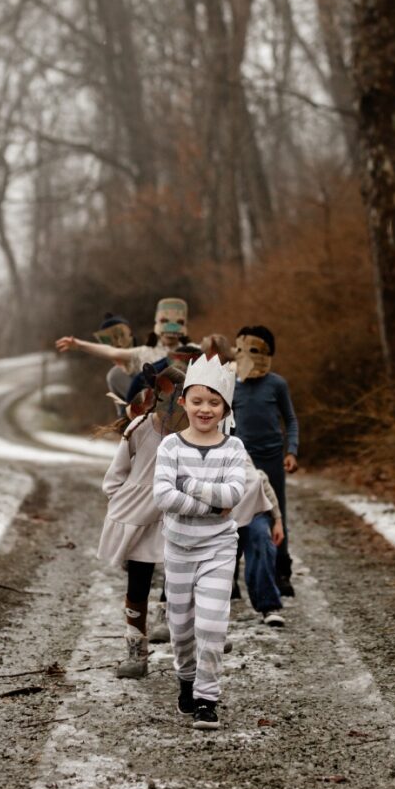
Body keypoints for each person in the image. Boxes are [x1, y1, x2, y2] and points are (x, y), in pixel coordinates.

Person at [154, 354, 246, 731]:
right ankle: (187, 679)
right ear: (183, 402)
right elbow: (162, 496)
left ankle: (207, 698)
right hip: (178, 548)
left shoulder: (233, 449)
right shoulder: (170, 448)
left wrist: (188, 485)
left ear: (225, 407)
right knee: (181, 626)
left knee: (212, 623)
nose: (205, 409)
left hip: (219, 548)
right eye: (197, 401)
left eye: (213, 402)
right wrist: (211, 504)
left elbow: (235, 493)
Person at [98, 364, 187, 678]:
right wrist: (123, 504)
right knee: (137, 584)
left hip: (175, 515)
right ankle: (137, 652)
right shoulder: (138, 427)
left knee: (181, 579)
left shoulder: (191, 434)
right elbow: (115, 475)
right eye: (166, 394)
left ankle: (187, 645)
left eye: (178, 397)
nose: (172, 402)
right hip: (138, 518)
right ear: (155, 394)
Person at [232, 326, 299, 596]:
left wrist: (291, 451)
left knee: (275, 513)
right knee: (236, 515)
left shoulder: (276, 384)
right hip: (241, 461)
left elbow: (291, 420)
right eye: (239, 349)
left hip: (272, 458)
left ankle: (281, 572)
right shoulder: (230, 384)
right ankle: (231, 578)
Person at [55, 298, 189, 381]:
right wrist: (80, 345)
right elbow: (111, 352)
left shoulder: (195, 352)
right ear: (157, 323)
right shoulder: (145, 352)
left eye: (178, 322)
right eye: (165, 320)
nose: (171, 327)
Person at [232, 456, 286, 626]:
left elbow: (261, 480)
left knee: (262, 541)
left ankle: (269, 605)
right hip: (222, 515)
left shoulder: (238, 448)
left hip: (254, 513)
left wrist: (277, 520)